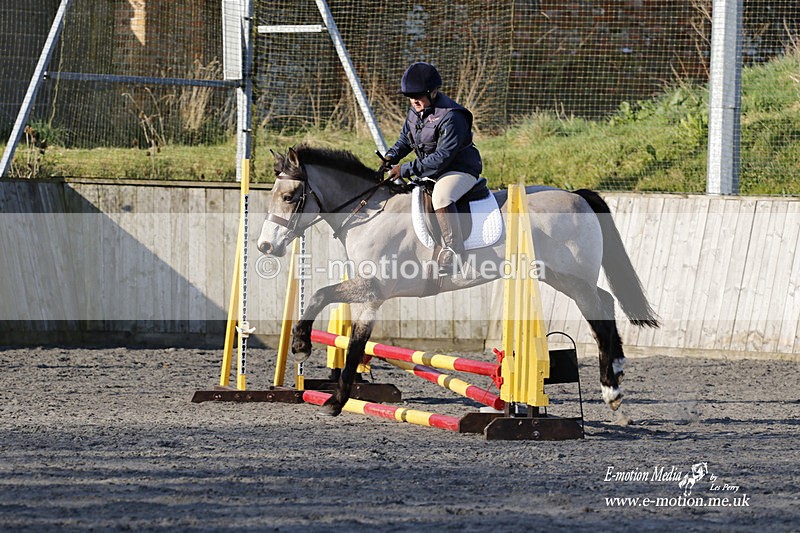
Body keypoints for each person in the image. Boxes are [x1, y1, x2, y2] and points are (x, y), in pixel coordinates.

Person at [383, 62, 482, 274]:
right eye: (410, 97)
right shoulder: (414, 111)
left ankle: (455, 252)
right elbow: (405, 140)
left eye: (418, 96)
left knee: (441, 198)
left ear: (434, 92)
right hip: (433, 170)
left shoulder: (452, 116)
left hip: (459, 170)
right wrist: (391, 155)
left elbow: (442, 157)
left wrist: (406, 169)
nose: (414, 101)